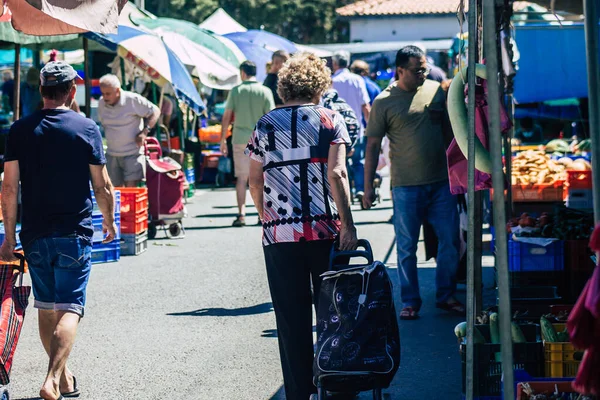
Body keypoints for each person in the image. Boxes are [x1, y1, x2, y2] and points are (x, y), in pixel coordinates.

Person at [0, 61, 117, 400]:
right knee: (70, 307)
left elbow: (9, 188)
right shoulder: (85, 127)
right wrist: (107, 219)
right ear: (72, 90)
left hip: (34, 233)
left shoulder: (20, 129)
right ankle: (52, 379)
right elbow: (103, 184)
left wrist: (9, 236)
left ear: (41, 91)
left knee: (47, 306)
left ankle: (65, 378)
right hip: (74, 232)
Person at [246, 52, 358, 400]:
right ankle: (337, 385)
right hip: (325, 232)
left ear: (284, 86)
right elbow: (337, 173)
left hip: (280, 234)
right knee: (335, 313)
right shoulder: (330, 119)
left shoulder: (265, 124)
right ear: (319, 86)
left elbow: (254, 180)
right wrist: (348, 225)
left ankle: (299, 393)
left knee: (291, 318)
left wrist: (268, 216)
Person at [363, 45, 463, 320]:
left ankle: (446, 294)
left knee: (451, 241)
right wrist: (369, 185)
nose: (422, 73)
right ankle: (410, 301)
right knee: (406, 247)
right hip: (406, 187)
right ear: (400, 70)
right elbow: (372, 145)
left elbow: (450, 131)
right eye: (417, 69)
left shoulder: (435, 91)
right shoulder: (384, 101)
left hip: (442, 183)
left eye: (424, 68)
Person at [220, 60, 275, 227]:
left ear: (242, 72)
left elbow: (227, 116)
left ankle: (241, 214)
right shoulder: (265, 91)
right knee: (262, 178)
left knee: (241, 179)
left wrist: (223, 139)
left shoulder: (236, 91)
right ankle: (261, 215)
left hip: (240, 140)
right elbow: (271, 116)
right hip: (261, 140)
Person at [97, 74, 160, 187]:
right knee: (114, 191)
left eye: (108, 93)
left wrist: (145, 132)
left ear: (117, 90)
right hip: (112, 154)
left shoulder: (132, 100)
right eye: (102, 93)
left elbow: (155, 111)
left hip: (132, 154)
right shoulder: (102, 103)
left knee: (130, 191)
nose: (105, 97)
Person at [331, 50, 370, 201]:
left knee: (341, 162)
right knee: (359, 161)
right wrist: (370, 126)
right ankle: (360, 189)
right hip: (357, 128)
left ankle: (345, 191)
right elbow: (365, 106)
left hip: (337, 129)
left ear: (334, 64)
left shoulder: (332, 81)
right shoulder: (357, 80)